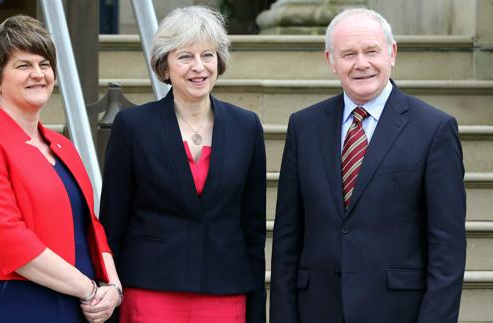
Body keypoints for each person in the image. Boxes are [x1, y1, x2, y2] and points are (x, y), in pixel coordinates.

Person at [270, 8, 466, 323]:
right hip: (317, 310)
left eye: (371, 51)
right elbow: (287, 239)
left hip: (398, 312)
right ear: (330, 61)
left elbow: (448, 248)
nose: (361, 64)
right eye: (348, 54)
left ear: (392, 53)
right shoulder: (304, 127)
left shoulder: (434, 129)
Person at [99, 6, 266, 323]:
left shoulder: (247, 126)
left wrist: (258, 306)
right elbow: (112, 222)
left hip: (225, 291)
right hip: (151, 292)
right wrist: (110, 292)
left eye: (208, 55)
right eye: (185, 56)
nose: (199, 67)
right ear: (164, 67)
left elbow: (253, 229)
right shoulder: (133, 126)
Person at [0, 15, 122, 323]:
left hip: (81, 304)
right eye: (23, 65)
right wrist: (89, 290)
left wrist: (113, 288)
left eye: (44, 64)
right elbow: (9, 240)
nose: (38, 74)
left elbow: (91, 226)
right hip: (19, 303)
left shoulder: (62, 145)